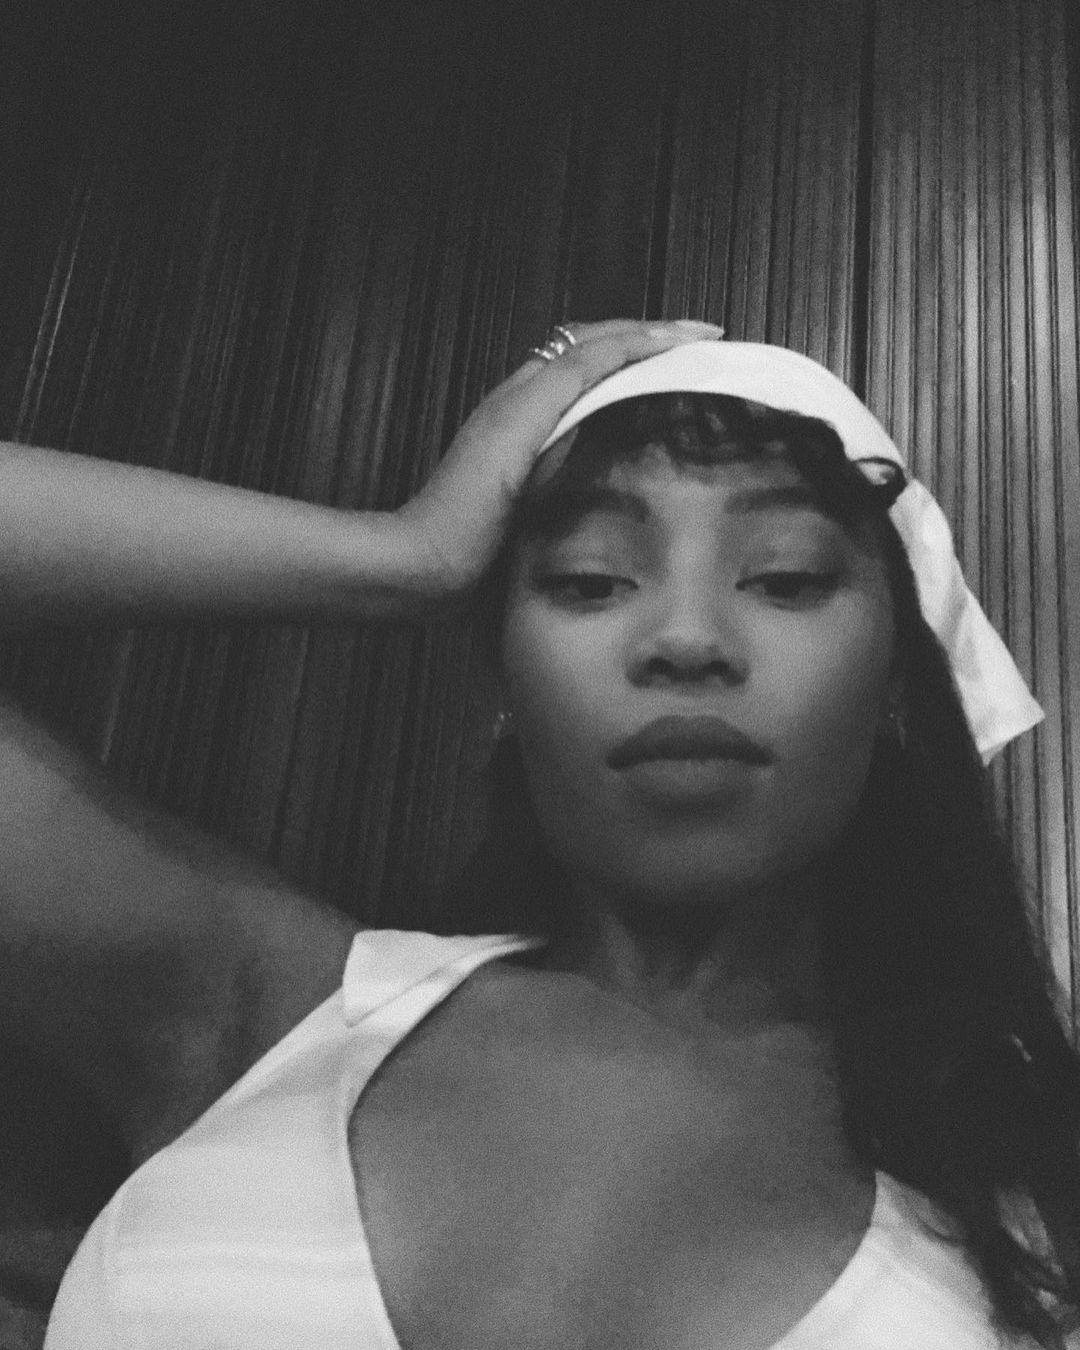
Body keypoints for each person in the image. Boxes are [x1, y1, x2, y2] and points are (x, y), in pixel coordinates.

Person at [0, 318, 1076, 1348]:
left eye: (785, 576)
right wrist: (402, 557)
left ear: (897, 689)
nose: (685, 637)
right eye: (590, 579)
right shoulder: (263, 1014)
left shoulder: (1039, 1201)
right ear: (508, 685)